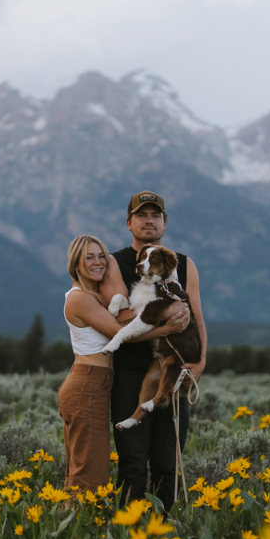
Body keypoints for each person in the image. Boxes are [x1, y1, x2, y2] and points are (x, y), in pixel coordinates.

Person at [100, 191, 206, 511]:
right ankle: (127, 537)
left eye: (155, 215)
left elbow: (197, 316)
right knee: (132, 463)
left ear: (165, 222)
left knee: (167, 462)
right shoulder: (116, 263)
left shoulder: (184, 265)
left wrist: (200, 362)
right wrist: (166, 327)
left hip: (175, 370)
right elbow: (118, 322)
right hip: (130, 373)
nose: (149, 220)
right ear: (129, 222)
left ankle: (163, 536)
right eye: (142, 215)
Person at [58, 235, 187, 491]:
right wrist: (165, 329)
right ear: (76, 263)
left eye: (101, 256)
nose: (98, 262)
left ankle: (74, 525)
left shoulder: (92, 296)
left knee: (83, 469)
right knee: (90, 474)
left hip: (94, 383)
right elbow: (119, 331)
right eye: (89, 257)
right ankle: (80, 527)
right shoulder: (80, 299)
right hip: (87, 383)